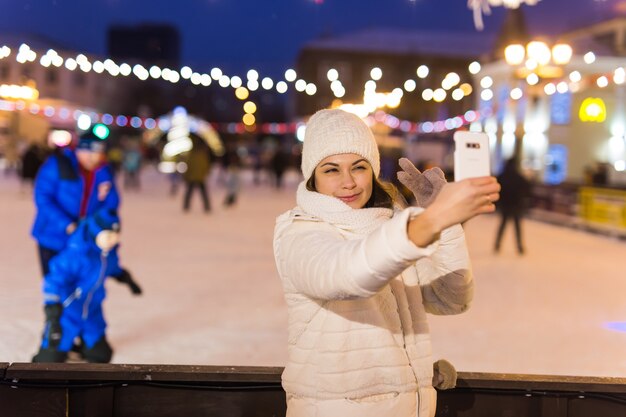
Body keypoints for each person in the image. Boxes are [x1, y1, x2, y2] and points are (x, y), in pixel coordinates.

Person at [272, 109, 500, 417]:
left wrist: (444, 226)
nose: (348, 182)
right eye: (331, 170)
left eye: (359, 167)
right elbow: (347, 275)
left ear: (373, 170)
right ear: (313, 175)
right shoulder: (300, 231)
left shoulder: (389, 226)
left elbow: (451, 299)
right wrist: (432, 220)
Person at [31, 131, 141, 294]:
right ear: (78, 149)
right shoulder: (58, 164)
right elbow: (43, 198)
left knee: (81, 290)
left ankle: (76, 318)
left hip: (85, 239)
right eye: (88, 152)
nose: (92, 158)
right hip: (53, 237)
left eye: (97, 153)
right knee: (56, 286)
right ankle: (55, 318)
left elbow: (111, 203)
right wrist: (66, 224)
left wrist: (107, 227)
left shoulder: (104, 172)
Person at [32, 209, 122, 363]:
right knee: (49, 360)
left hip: (92, 311)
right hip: (68, 309)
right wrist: (52, 306)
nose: (111, 241)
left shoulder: (107, 254)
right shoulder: (76, 254)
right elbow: (54, 280)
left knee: (101, 355)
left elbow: (110, 267)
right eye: (107, 236)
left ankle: (89, 347)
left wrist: (123, 276)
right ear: (95, 233)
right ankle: (52, 352)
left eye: (115, 236)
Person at [494, 158, 531, 255]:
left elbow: (497, 189)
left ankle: (497, 244)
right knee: (517, 227)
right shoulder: (518, 177)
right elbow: (527, 188)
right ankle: (519, 247)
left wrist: (499, 202)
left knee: (503, 225)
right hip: (516, 205)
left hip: (505, 205)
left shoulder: (502, 176)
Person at [182, 137, 212, 212]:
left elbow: (188, 165)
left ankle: (186, 206)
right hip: (200, 177)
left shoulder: (192, 154)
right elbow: (206, 166)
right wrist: (205, 173)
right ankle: (207, 207)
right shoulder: (202, 155)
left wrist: (186, 175)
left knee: (189, 192)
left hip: (192, 177)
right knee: (203, 193)